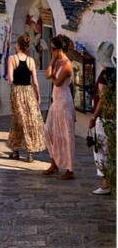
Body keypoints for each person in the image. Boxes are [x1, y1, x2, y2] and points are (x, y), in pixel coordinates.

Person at [6, 33, 46, 162]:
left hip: (17, 91)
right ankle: (29, 152)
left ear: (18, 45)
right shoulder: (31, 61)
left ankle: (16, 150)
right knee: (29, 121)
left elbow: (10, 79)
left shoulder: (12, 59)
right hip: (29, 92)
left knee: (17, 121)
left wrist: (12, 82)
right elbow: (35, 81)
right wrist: (38, 96)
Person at [44, 34, 76, 179]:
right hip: (56, 102)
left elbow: (57, 82)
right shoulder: (57, 62)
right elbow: (47, 75)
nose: (51, 51)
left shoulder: (67, 65)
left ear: (59, 49)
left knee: (66, 136)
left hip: (64, 102)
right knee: (49, 131)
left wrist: (53, 70)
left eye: (53, 49)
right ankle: (54, 163)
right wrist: (52, 60)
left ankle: (70, 169)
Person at [88, 41, 116, 195]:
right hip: (114, 117)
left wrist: (94, 116)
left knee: (102, 149)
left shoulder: (105, 75)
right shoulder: (115, 71)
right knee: (111, 149)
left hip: (105, 118)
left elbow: (103, 98)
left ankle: (106, 183)